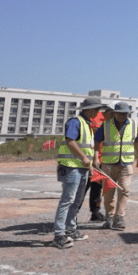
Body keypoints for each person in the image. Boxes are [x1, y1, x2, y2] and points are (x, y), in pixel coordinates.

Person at [53, 98, 104, 249]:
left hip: (82, 168)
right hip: (71, 167)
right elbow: (70, 141)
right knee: (67, 200)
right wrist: (83, 157)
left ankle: (70, 230)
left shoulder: (87, 125)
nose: (97, 112)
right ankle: (59, 235)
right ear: (88, 109)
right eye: (95, 109)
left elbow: (87, 146)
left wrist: (91, 161)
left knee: (76, 201)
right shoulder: (75, 122)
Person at [95, 101, 138, 231]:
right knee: (108, 193)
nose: (123, 115)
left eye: (125, 113)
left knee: (124, 190)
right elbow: (97, 141)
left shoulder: (133, 125)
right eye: (120, 113)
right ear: (114, 113)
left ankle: (119, 217)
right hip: (108, 165)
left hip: (126, 164)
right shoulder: (105, 125)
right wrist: (95, 157)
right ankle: (109, 217)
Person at [85, 106, 111, 222]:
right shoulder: (94, 118)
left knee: (97, 188)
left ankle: (95, 212)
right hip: (89, 160)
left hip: (102, 161)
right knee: (83, 188)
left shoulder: (113, 123)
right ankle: (72, 216)